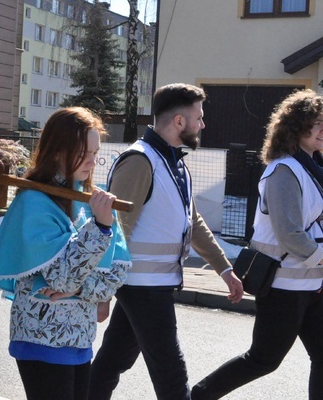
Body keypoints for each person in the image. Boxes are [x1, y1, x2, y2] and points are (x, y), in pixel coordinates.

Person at [88, 83, 244, 400]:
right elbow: (116, 229)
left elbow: (193, 223)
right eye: (198, 117)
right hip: (143, 287)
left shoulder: (174, 162)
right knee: (172, 377)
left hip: (152, 284)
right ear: (178, 122)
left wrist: (224, 270)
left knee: (112, 362)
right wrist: (102, 291)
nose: (203, 124)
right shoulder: (140, 161)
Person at [0, 107, 129, 400]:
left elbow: (118, 270)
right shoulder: (34, 201)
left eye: (95, 152)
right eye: (83, 152)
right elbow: (61, 278)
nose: (91, 161)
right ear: (58, 151)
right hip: (41, 337)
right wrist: (99, 228)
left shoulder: (91, 198)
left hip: (79, 336)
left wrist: (82, 289)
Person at [191, 89, 323, 399]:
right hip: (283, 290)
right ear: (297, 127)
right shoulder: (284, 171)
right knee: (264, 359)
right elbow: (290, 232)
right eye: (318, 123)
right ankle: (199, 395)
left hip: (312, 285)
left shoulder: (314, 169)